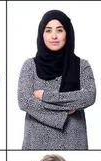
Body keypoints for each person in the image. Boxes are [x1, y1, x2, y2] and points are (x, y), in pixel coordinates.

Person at [18, 9, 96, 150]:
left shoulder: (81, 65)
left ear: (68, 33)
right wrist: (66, 110)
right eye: (48, 31)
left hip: (73, 141)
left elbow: (88, 97)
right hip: (36, 143)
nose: (54, 36)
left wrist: (45, 96)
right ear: (41, 34)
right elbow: (24, 102)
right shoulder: (30, 65)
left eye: (59, 30)